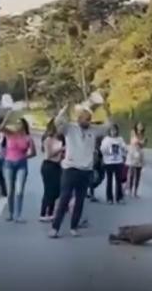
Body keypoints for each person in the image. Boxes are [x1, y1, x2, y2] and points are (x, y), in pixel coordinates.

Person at [49, 101, 112, 238]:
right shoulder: (70, 128)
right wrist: (66, 108)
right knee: (64, 198)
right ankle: (55, 228)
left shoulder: (93, 130)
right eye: (85, 119)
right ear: (79, 118)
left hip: (86, 171)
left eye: (89, 119)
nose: (88, 122)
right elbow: (58, 121)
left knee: (80, 200)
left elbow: (108, 126)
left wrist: (107, 110)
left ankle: (73, 227)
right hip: (70, 169)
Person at [1, 115, 37, 222]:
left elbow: (34, 153)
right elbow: (1, 127)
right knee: (10, 190)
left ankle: (18, 215)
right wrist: (8, 116)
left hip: (22, 164)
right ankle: (11, 213)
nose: (17, 125)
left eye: (19, 123)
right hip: (8, 164)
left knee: (19, 190)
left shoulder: (28, 138)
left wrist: (25, 157)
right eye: (16, 123)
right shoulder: (9, 134)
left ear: (23, 125)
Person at [39, 120, 65, 222]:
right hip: (48, 165)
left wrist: (63, 155)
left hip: (57, 165)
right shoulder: (48, 140)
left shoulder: (59, 140)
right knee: (48, 190)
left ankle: (50, 212)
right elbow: (49, 154)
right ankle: (43, 213)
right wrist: (61, 149)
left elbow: (59, 155)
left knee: (57, 190)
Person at [101, 124, 127, 205]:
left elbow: (124, 148)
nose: (113, 132)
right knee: (109, 180)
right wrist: (108, 150)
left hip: (118, 162)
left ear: (117, 131)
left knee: (118, 181)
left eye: (115, 130)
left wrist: (124, 149)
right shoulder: (106, 139)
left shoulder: (120, 139)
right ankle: (109, 198)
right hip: (109, 162)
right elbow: (102, 149)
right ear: (109, 131)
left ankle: (119, 197)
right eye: (112, 130)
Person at [126, 122, 146, 198]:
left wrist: (140, 143)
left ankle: (135, 191)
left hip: (140, 155)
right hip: (133, 154)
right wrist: (139, 142)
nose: (140, 127)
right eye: (139, 125)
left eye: (141, 125)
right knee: (131, 174)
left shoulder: (143, 135)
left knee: (138, 175)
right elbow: (133, 142)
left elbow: (143, 145)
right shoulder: (133, 133)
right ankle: (130, 190)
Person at [0, 119, 8, 198]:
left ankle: (4, 191)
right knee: (0, 175)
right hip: (1, 156)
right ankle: (4, 191)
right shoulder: (5, 135)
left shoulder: (2, 135)